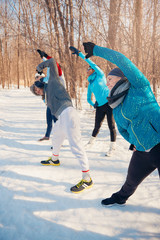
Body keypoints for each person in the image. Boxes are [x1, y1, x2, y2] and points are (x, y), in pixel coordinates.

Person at [83, 42, 160, 206]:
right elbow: (123, 130)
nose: (107, 82)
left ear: (123, 77)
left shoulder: (139, 86)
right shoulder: (115, 105)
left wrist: (96, 50)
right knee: (131, 181)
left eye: (110, 79)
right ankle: (120, 198)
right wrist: (134, 141)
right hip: (141, 151)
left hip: (159, 143)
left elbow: (123, 61)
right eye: (107, 80)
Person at [30, 56, 93, 193]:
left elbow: (52, 62)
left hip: (69, 114)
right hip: (61, 118)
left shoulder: (53, 82)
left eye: (36, 88)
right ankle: (55, 159)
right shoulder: (46, 96)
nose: (36, 90)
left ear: (40, 84)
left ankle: (87, 178)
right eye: (35, 92)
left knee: (76, 146)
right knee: (56, 137)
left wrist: (40, 66)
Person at [69, 46, 116, 156]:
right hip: (99, 106)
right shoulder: (90, 84)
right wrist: (93, 104)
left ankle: (112, 147)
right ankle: (91, 142)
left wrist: (80, 54)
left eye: (88, 68)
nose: (87, 70)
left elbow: (91, 62)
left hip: (109, 104)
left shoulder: (100, 75)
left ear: (93, 69)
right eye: (87, 69)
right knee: (97, 125)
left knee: (111, 126)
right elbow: (88, 98)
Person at [36, 50, 66, 141]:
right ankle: (47, 136)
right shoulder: (51, 74)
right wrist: (43, 57)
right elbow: (49, 65)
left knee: (57, 122)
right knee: (49, 119)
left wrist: (46, 55)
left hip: (57, 102)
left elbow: (53, 62)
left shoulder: (59, 75)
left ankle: (59, 140)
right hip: (51, 101)